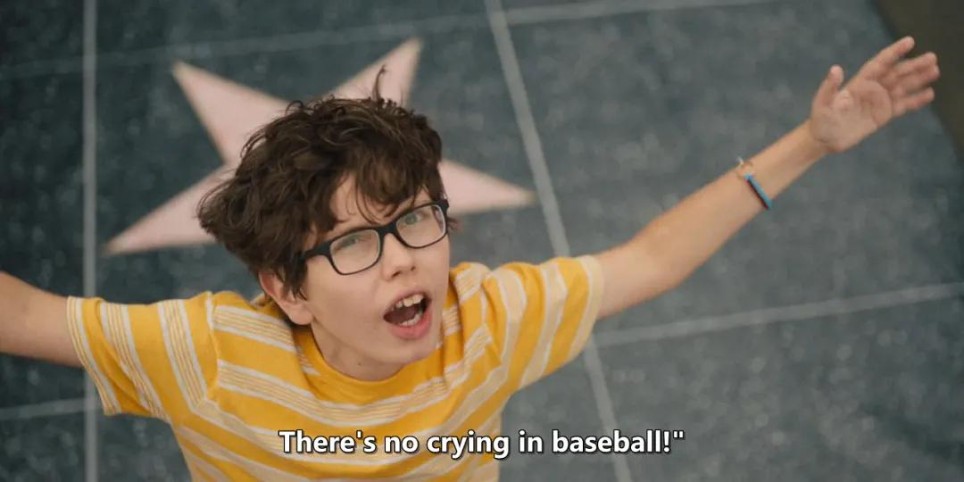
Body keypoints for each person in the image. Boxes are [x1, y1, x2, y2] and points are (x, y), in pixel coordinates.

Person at [0, 36, 940, 480]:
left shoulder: (488, 322)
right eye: (354, 242)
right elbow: (30, 315)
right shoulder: (209, 354)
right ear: (286, 289)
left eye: (417, 220)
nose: (405, 261)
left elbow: (650, 259)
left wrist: (811, 142)